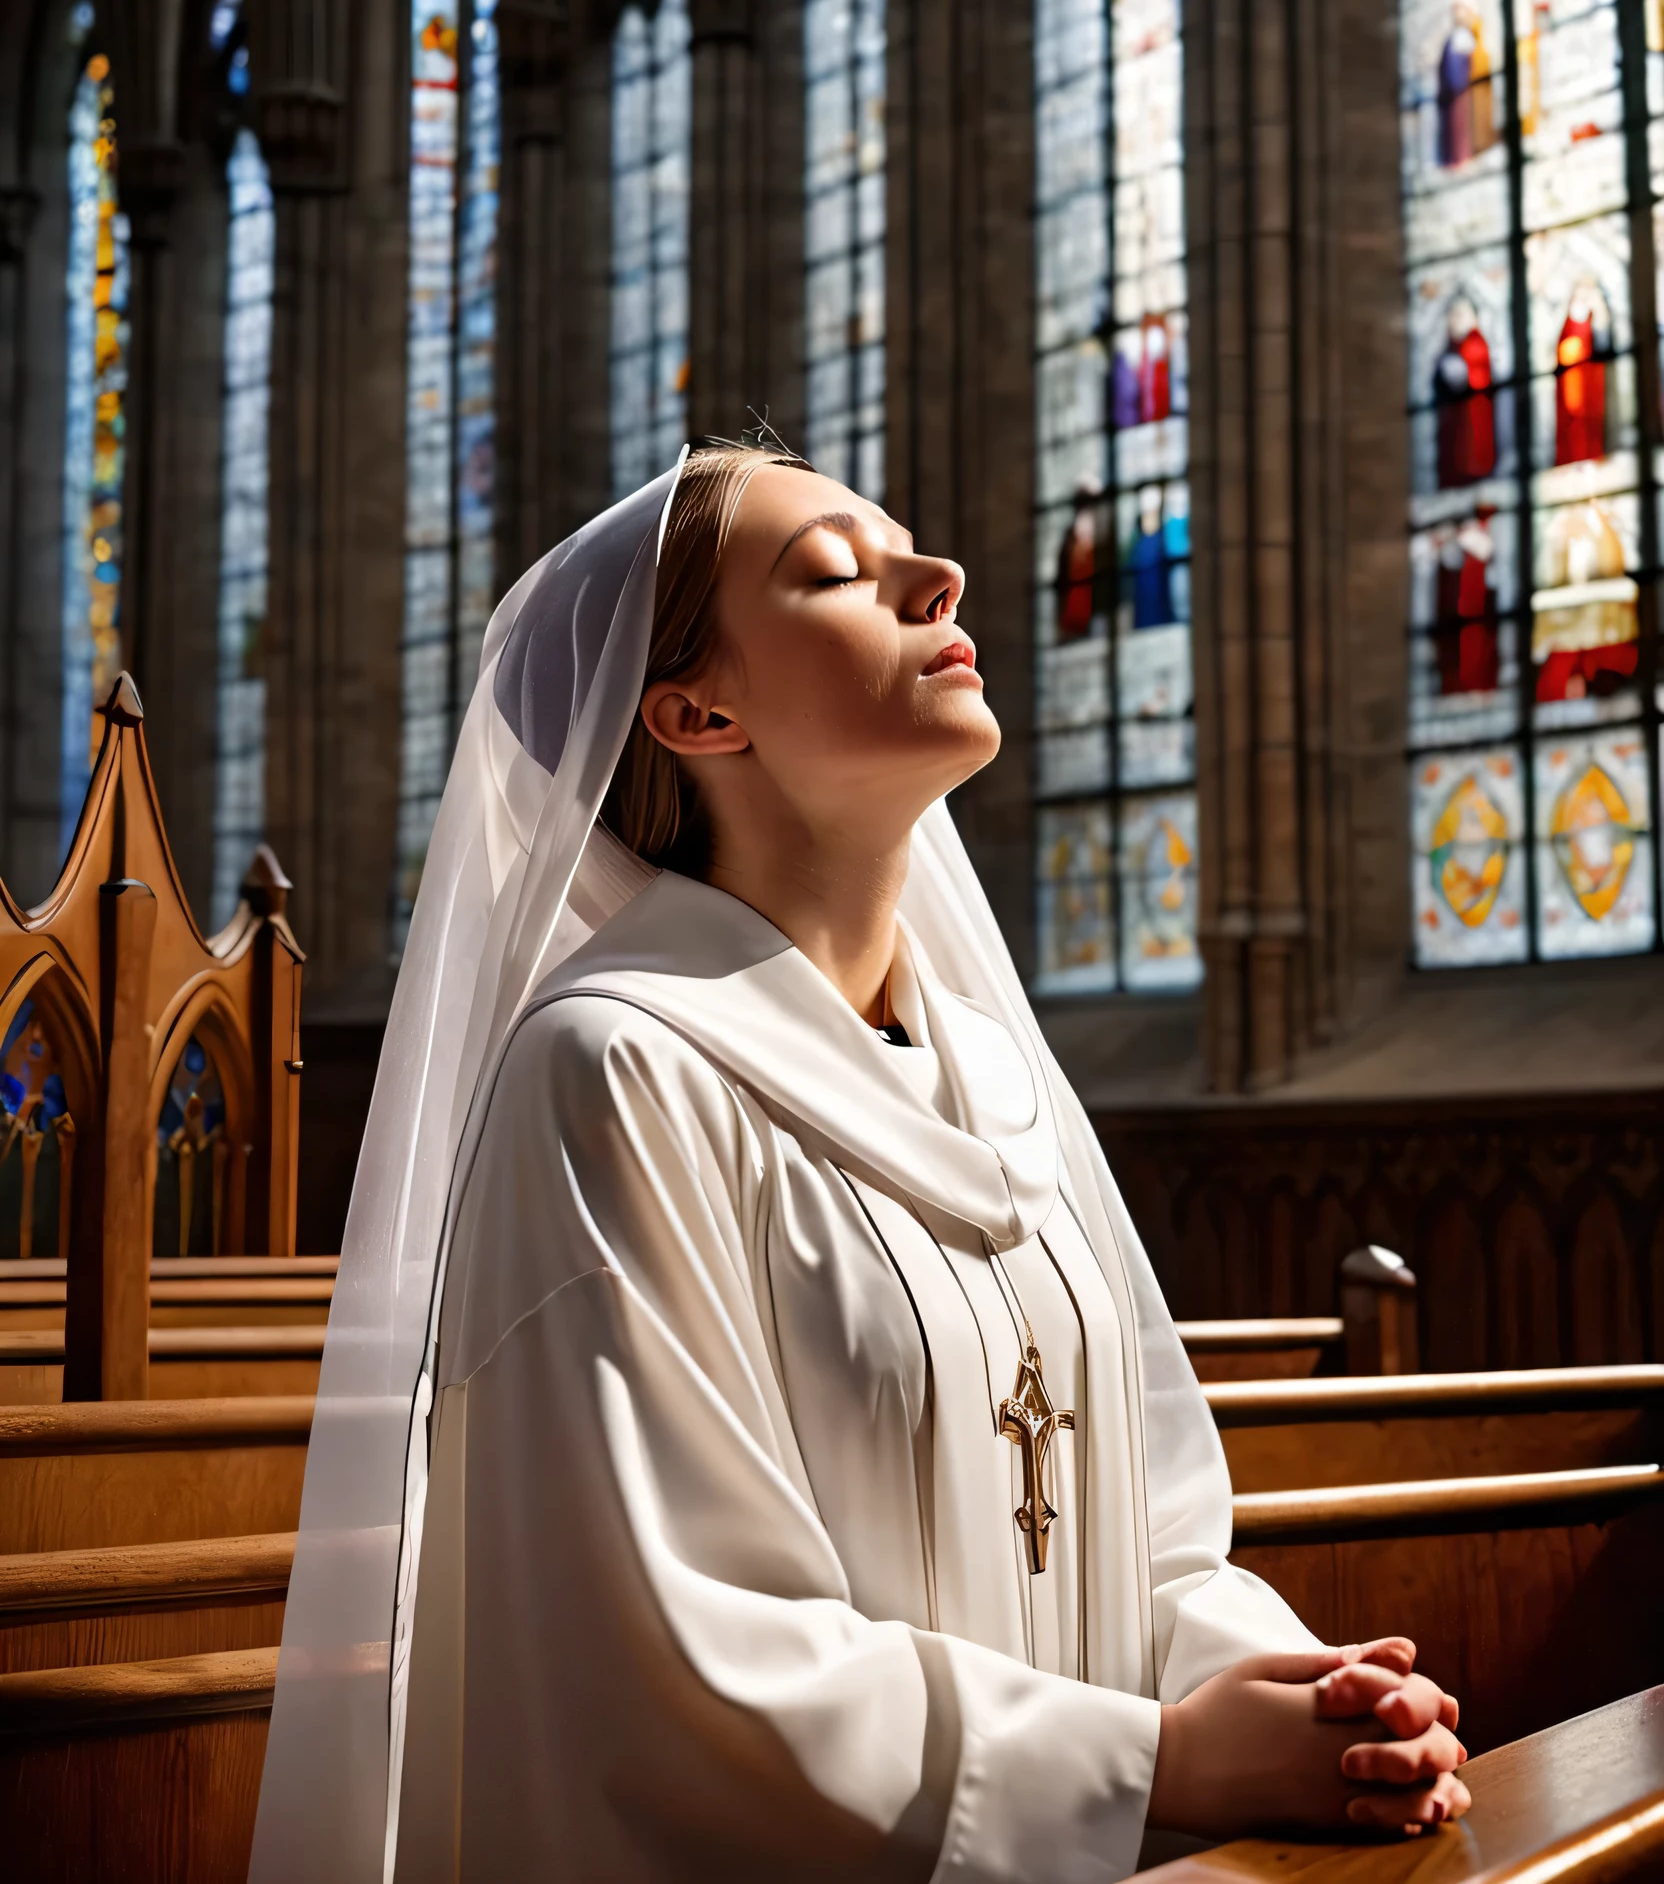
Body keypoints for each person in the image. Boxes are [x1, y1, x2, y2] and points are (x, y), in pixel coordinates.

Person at [254, 440, 1469, 1884]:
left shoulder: (995, 1072)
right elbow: (686, 1659)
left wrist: (1312, 1699)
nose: (937, 575)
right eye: (834, 569)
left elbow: (1149, 1536)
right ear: (696, 713)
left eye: (904, 547)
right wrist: (1167, 1760)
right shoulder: (612, 1074)